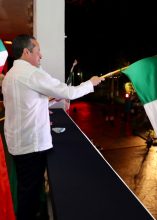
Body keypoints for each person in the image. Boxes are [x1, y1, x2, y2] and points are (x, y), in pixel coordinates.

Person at [2, 34, 105, 220]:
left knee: (27, 188)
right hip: (31, 146)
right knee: (29, 195)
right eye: (38, 51)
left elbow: (24, 106)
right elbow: (69, 92)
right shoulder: (32, 73)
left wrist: (48, 100)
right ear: (26, 52)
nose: (40, 55)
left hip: (18, 144)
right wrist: (91, 83)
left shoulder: (10, 75)